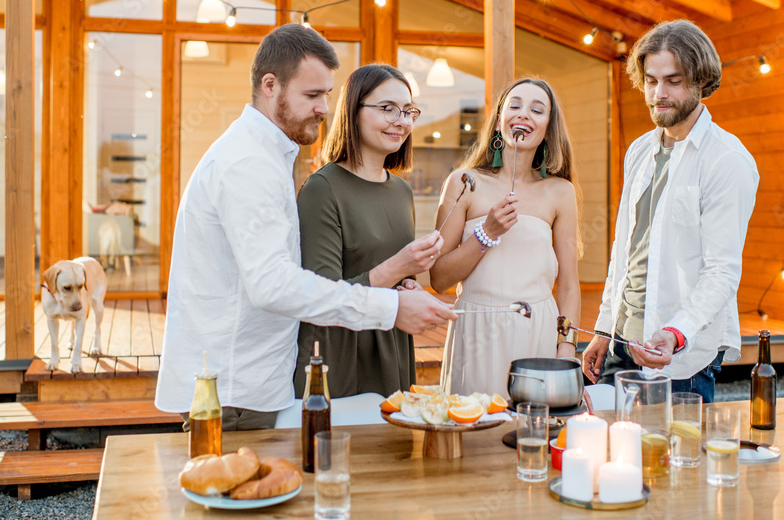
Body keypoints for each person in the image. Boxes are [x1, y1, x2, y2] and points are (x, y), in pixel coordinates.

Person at [155, 25, 456, 430]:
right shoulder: (249, 163)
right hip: (233, 391)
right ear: (270, 86)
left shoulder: (267, 154)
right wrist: (390, 306)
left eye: (327, 95)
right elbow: (274, 284)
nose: (324, 109)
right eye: (312, 95)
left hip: (250, 383)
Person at [582, 19, 759, 404]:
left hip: (678, 361)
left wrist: (676, 333)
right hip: (620, 344)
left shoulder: (726, 160)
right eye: (650, 80)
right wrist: (602, 329)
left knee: (673, 463)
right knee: (612, 460)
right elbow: (625, 250)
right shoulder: (640, 151)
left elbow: (722, 272)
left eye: (673, 81)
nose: (658, 93)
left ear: (701, 81)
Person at [293, 64, 443, 399]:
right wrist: (401, 266)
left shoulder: (401, 191)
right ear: (353, 111)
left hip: (392, 347)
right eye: (387, 109)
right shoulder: (322, 189)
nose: (401, 120)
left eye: (408, 111)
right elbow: (321, 298)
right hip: (340, 357)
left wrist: (411, 288)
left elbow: (396, 278)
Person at [431, 78, 582, 398]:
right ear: (499, 122)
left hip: (536, 333)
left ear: (547, 129)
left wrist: (567, 348)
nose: (523, 114)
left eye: (537, 109)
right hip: (475, 334)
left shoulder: (560, 192)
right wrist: (487, 234)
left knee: (530, 437)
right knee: (473, 435)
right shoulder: (463, 182)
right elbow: (439, 278)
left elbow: (568, 284)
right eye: (514, 106)